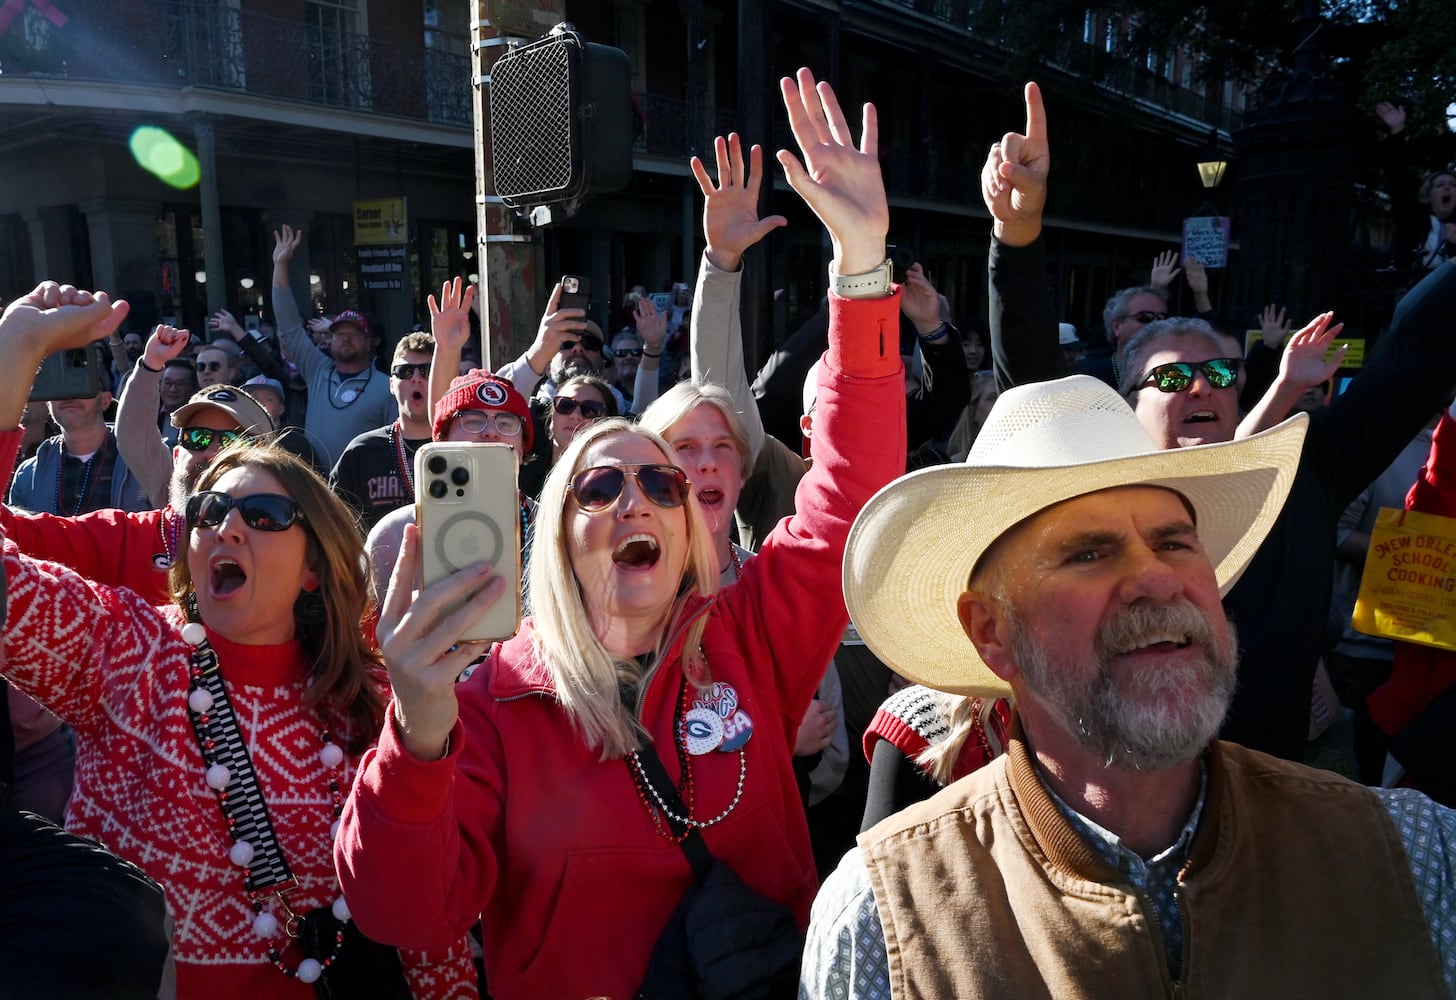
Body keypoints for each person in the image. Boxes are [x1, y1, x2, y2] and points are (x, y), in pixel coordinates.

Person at [334, 67, 906, 999]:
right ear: (558, 536)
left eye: (660, 483)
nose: (637, 498)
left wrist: (863, 265)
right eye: (600, 484)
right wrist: (418, 730)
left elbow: (852, 493)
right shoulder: (490, 699)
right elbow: (405, 912)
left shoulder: (751, 634)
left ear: (689, 528)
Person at [805, 373, 1456, 997]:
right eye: (1089, 553)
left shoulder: (1411, 853)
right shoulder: (884, 916)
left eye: (1175, 544)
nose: (1160, 580)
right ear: (992, 631)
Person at [0, 281, 475, 999]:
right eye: (211, 511)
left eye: (263, 515)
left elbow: (426, 926)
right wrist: (15, 352)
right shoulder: (122, 648)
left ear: (315, 567)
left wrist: (420, 732)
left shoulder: (376, 692)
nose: (227, 525)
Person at [985, 79, 1456, 760]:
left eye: (1221, 373)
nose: (1203, 385)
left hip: (1273, 790)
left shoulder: (1305, 471)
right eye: (1174, 377)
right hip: (1121, 791)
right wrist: (1017, 233)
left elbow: (1416, 357)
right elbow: (1029, 382)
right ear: (1129, 402)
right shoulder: (1096, 488)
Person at [115, 323, 279, 508]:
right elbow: (134, 435)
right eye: (198, 438)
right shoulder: (168, 491)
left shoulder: (287, 521)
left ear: (267, 459)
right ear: (177, 455)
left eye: (233, 442)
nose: (212, 452)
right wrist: (150, 365)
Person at [271, 226, 395, 467]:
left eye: (355, 334)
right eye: (338, 333)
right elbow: (289, 325)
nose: (346, 338)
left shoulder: (387, 387)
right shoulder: (317, 369)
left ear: (369, 342)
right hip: (315, 482)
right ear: (330, 339)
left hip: (363, 485)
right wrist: (280, 265)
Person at [329, 332, 436, 534]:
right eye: (405, 371)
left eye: (427, 371)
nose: (416, 379)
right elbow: (333, 525)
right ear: (391, 384)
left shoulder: (458, 447)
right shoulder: (361, 451)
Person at [8, 382, 149, 515]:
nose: (69, 395)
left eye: (80, 384)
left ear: (105, 400)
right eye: (58, 388)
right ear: (48, 404)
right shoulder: (27, 476)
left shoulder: (146, 462)